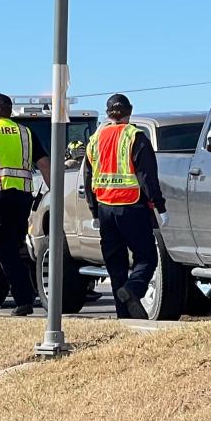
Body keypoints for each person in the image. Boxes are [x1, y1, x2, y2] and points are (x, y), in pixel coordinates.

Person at [83, 93, 167, 319]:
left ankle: (124, 315)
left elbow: (87, 177)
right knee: (147, 257)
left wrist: (93, 210)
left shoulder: (95, 139)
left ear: (108, 113)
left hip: (104, 208)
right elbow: (147, 175)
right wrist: (159, 206)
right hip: (132, 207)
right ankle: (132, 290)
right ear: (130, 112)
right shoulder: (135, 136)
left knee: (115, 263)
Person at [0, 93, 50, 316]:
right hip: (22, 197)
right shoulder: (26, 132)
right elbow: (44, 164)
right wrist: (54, 193)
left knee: (2, 246)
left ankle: (25, 298)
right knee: (10, 249)